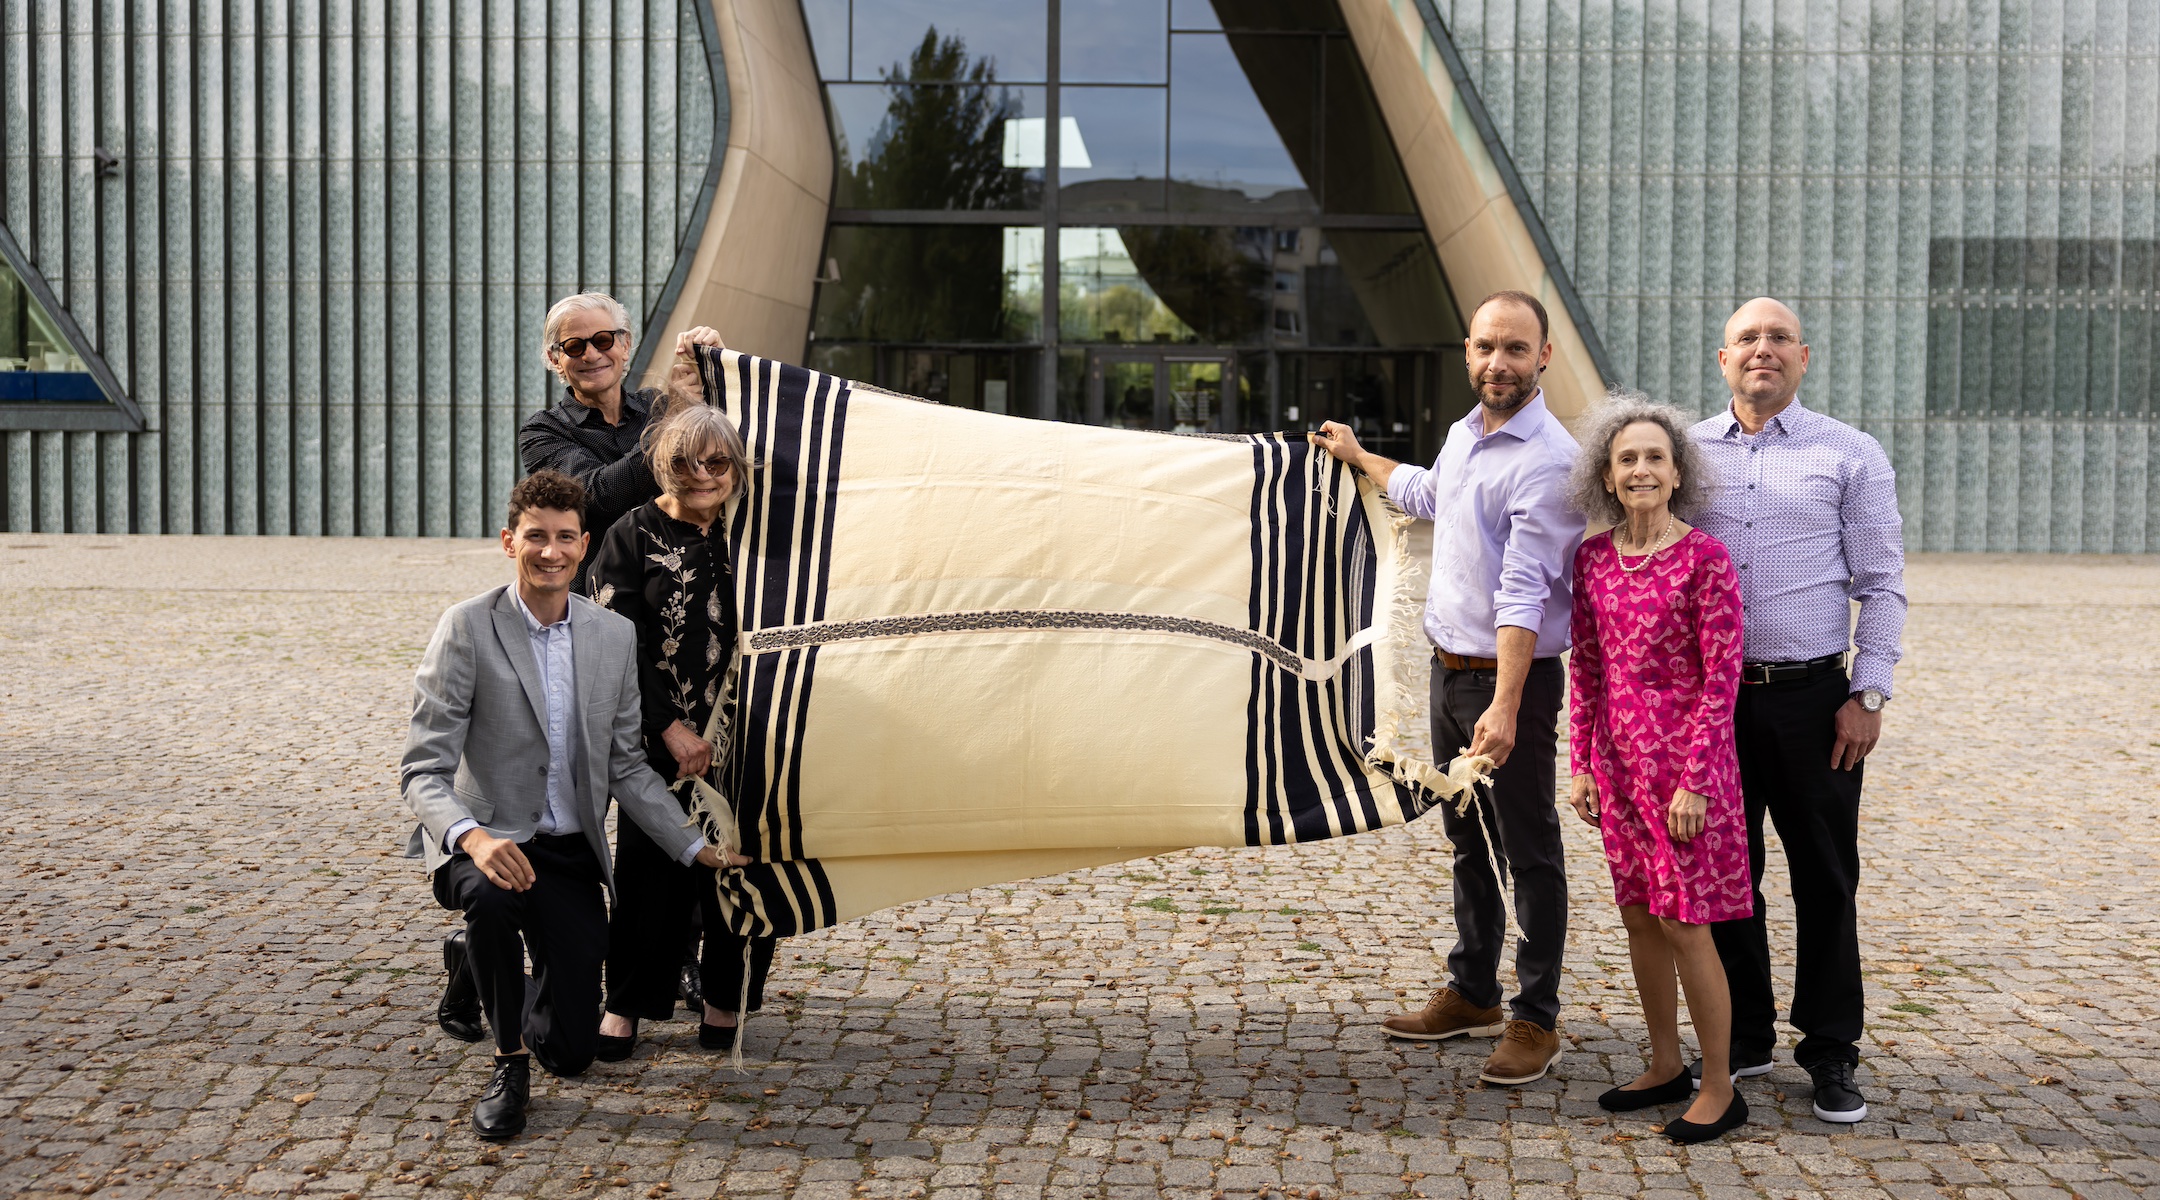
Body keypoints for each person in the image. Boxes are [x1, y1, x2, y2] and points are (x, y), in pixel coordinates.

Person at [401, 469, 736, 1140]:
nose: (549, 552)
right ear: (507, 541)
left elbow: (624, 765)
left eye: (563, 538)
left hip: (567, 853)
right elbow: (421, 770)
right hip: (488, 838)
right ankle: (507, 1066)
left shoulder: (610, 638)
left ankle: (476, 965)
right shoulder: (466, 627)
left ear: (583, 546)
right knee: (493, 902)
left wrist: (694, 846)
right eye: (534, 537)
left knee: (575, 1051)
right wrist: (472, 840)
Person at [1311, 290, 1585, 1086]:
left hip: (1512, 684)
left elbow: (1526, 593)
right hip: (1447, 673)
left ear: (1543, 358)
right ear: (1467, 352)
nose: (1498, 363)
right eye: (1485, 347)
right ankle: (1473, 994)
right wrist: (1362, 458)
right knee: (1467, 840)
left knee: (1529, 851)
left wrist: (1503, 705)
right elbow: (1430, 495)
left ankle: (1536, 1019)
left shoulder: (1549, 460)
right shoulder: (1469, 436)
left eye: (1515, 349)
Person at [1688, 297, 1907, 1124]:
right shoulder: (1687, 454)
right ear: (1723, 358)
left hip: (1817, 702)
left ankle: (1830, 1047)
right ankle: (1742, 1035)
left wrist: (1868, 693)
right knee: (1726, 874)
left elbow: (1881, 584)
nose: (1763, 350)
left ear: (1803, 356)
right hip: (1711, 704)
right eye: (1748, 338)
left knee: (1824, 876)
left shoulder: (1849, 454)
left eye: (1779, 338)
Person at [1563, 394, 1750, 1143]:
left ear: (1678, 475)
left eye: (1655, 458)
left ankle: (1719, 1085)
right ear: (1606, 478)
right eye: (1627, 459)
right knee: (1639, 916)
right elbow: (1588, 666)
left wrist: (1697, 781)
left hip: (1685, 772)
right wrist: (1580, 763)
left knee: (1685, 923)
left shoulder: (1705, 558)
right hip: (1619, 767)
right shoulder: (1594, 558)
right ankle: (1665, 1063)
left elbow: (1722, 676)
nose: (1641, 470)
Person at [586, 403, 779, 1057]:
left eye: (717, 461)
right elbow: (617, 644)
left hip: (752, 738)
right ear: (662, 467)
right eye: (683, 462)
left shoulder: (761, 537)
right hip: (658, 738)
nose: (701, 474)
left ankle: (726, 1001)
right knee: (648, 873)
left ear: (738, 468)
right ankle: (627, 1007)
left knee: (741, 869)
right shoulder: (629, 535)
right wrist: (667, 726)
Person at [517, 291, 725, 591]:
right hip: (601, 598)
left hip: (684, 588)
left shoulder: (660, 407)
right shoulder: (542, 431)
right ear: (555, 359)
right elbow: (597, 496)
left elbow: (731, 451)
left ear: (625, 345)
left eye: (603, 340)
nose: (591, 355)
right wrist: (671, 426)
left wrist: (714, 366)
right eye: (574, 346)